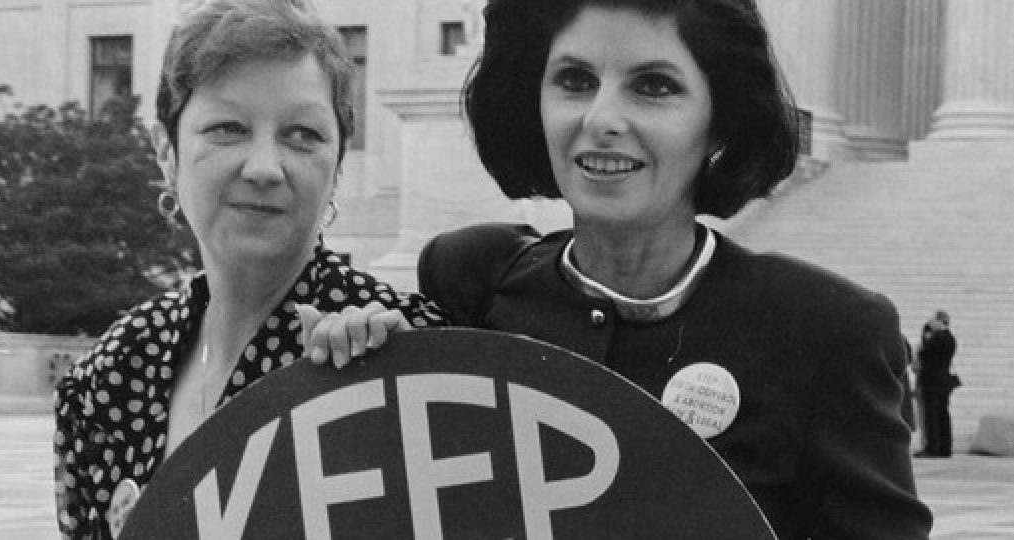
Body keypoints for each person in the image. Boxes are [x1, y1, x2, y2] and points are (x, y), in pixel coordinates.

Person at [403, 0, 931, 536]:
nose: (602, 119)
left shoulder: (828, 332)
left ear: (721, 121)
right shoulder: (468, 282)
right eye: (574, 79)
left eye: (653, 86)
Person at [51, 0, 446, 536]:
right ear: (166, 152)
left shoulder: (405, 349)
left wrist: (413, 386)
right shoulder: (110, 374)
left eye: (303, 134)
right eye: (228, 128)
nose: (265, 167)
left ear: (336, 167)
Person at [915, 310, 957, 458]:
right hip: (944, 380)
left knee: (931, 415)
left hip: (932, 381)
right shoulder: (951, 338)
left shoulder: (937, 338)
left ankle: (932, 447)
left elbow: (924, 354)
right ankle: (945, 447)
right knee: (943, 414)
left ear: (940, 322)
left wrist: (926, 338)